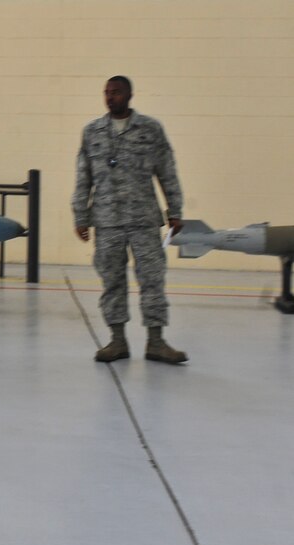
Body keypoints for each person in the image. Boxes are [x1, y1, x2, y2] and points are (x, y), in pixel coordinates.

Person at [71, 75, 188, 365]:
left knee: (152, 279)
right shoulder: (92, 132)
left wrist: (175, 210)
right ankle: (117, 341)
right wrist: (81, 216)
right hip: (107, 221)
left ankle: (156, 342)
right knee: (112, 281)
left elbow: (167, 171)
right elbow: (83, 177)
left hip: (143, 220)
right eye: (107, 93)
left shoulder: (150, 129)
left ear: (130, 95)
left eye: (117, 92)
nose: (110, 97)